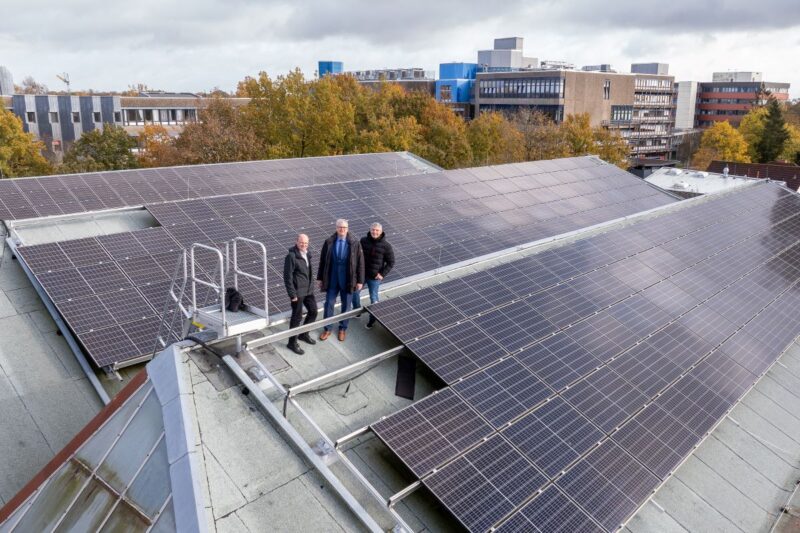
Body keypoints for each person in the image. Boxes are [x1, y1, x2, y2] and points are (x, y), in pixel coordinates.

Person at [317, 219, 364, 342]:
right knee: (329, 304)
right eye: (340, 227)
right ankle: (327, 329)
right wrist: (320, 278)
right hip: (332, 279)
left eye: (344, 227)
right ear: (336, 228)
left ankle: (343, 328)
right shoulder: (328, 242)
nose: (342, 229)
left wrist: (360, 281)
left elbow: (360, 263)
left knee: (346, 305)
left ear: (347, 228)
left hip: (348, 280)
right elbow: (323, 261)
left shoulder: (355, 243)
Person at [353, 222, 395, 329]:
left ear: (381, 232)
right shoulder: (363, 240)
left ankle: (372, 320)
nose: (374, 232)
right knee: (355, 292)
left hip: (374, 278)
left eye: (377, 230)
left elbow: (391, 262)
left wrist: (382, 274)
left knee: (374, 298)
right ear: (370, 230)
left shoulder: (386, 246)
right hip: (362, 275)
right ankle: (357, 312)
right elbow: (358, 256)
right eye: (373, 230)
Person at [283, 233, 318, 355]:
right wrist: (292, 294)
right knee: (297, 317)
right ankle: (292, 343)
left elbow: (308, 272)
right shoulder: (291, 256)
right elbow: (287, 277)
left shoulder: (307, 254)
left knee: (313, 311)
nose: (304, 245)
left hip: (308, 290)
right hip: (298, 292)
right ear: (296, 242)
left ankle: (304, 334)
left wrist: (312, 285)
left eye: (306, 243)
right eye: (301, 242)